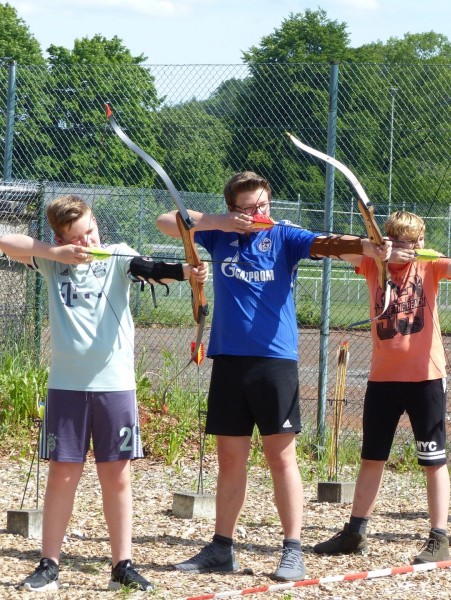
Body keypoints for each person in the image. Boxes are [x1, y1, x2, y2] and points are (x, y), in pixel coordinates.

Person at [156, 171, 390, 582]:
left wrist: (369, 246)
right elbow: (167, 220)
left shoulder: (283, 235)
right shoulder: (216, 235)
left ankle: (292, 550)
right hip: (229, 358)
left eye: (262, 205)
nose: (257, 214)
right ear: (233, 209)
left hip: (274, 361)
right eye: (247, 209)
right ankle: (221, 548)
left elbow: (326, 243)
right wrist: (219, 221)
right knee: (230, 459)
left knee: (281, 457)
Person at [0, 194, 208, 593]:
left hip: (115, 386)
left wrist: (185, 271)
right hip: (66, 385)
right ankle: (49, 564)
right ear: (63, 238)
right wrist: (57, 252)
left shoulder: (115, 255)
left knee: (117, 476)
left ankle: (122, 564)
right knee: (62, 475)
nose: (90, 240)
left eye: (91, 230)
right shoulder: (52, 261)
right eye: (80, 237)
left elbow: (146, 268)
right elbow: (9, 242)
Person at [312, 211, 451, 563]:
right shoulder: (373, 264)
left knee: (433, 459)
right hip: (383, 379)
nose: (408, 249)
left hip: (425, 379)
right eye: (399, 241)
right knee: (372, 457)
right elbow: (328, 247)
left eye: (414, 242)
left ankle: (439, 537)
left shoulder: (429, 265)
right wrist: (376, 251)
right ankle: (355, 532)